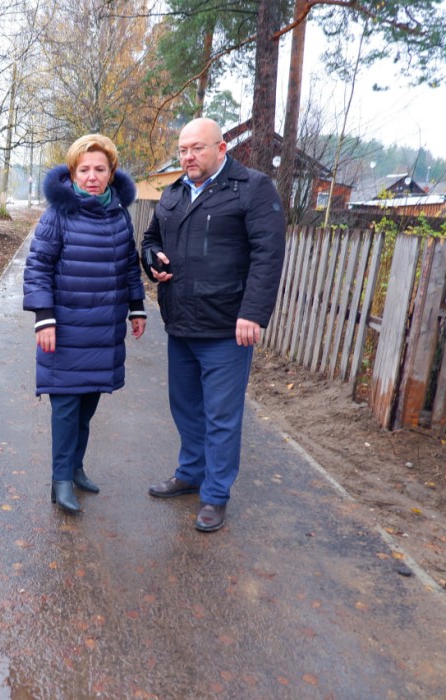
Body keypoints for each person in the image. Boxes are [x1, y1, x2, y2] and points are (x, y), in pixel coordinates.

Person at [141, 117, 286, 532]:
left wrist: (253, 312)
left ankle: (216, 494)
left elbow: (268, 254)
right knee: (184, 406)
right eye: (183, 149)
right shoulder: (173, 193)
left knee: (221, 414)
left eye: (197, 148)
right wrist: (151, 261)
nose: (188, 156)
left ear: (221, 149)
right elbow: (151, 240)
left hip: (226, 327)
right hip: (181, 322)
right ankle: (191, 473)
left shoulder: (253, 189)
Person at [23, 134, 147, 514]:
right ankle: (59, 480)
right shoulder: (59, 213)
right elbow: (38, 266)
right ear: (73, 173)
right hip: (64, 329)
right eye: (84, 169)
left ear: (111, 173)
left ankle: (75, 469)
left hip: (103, 328)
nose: (92, 176)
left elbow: (129, 263)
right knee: (65, 409)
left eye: (100, 169)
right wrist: (44, 318)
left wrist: (137, 307)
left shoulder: (118, 213)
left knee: (87, 405)